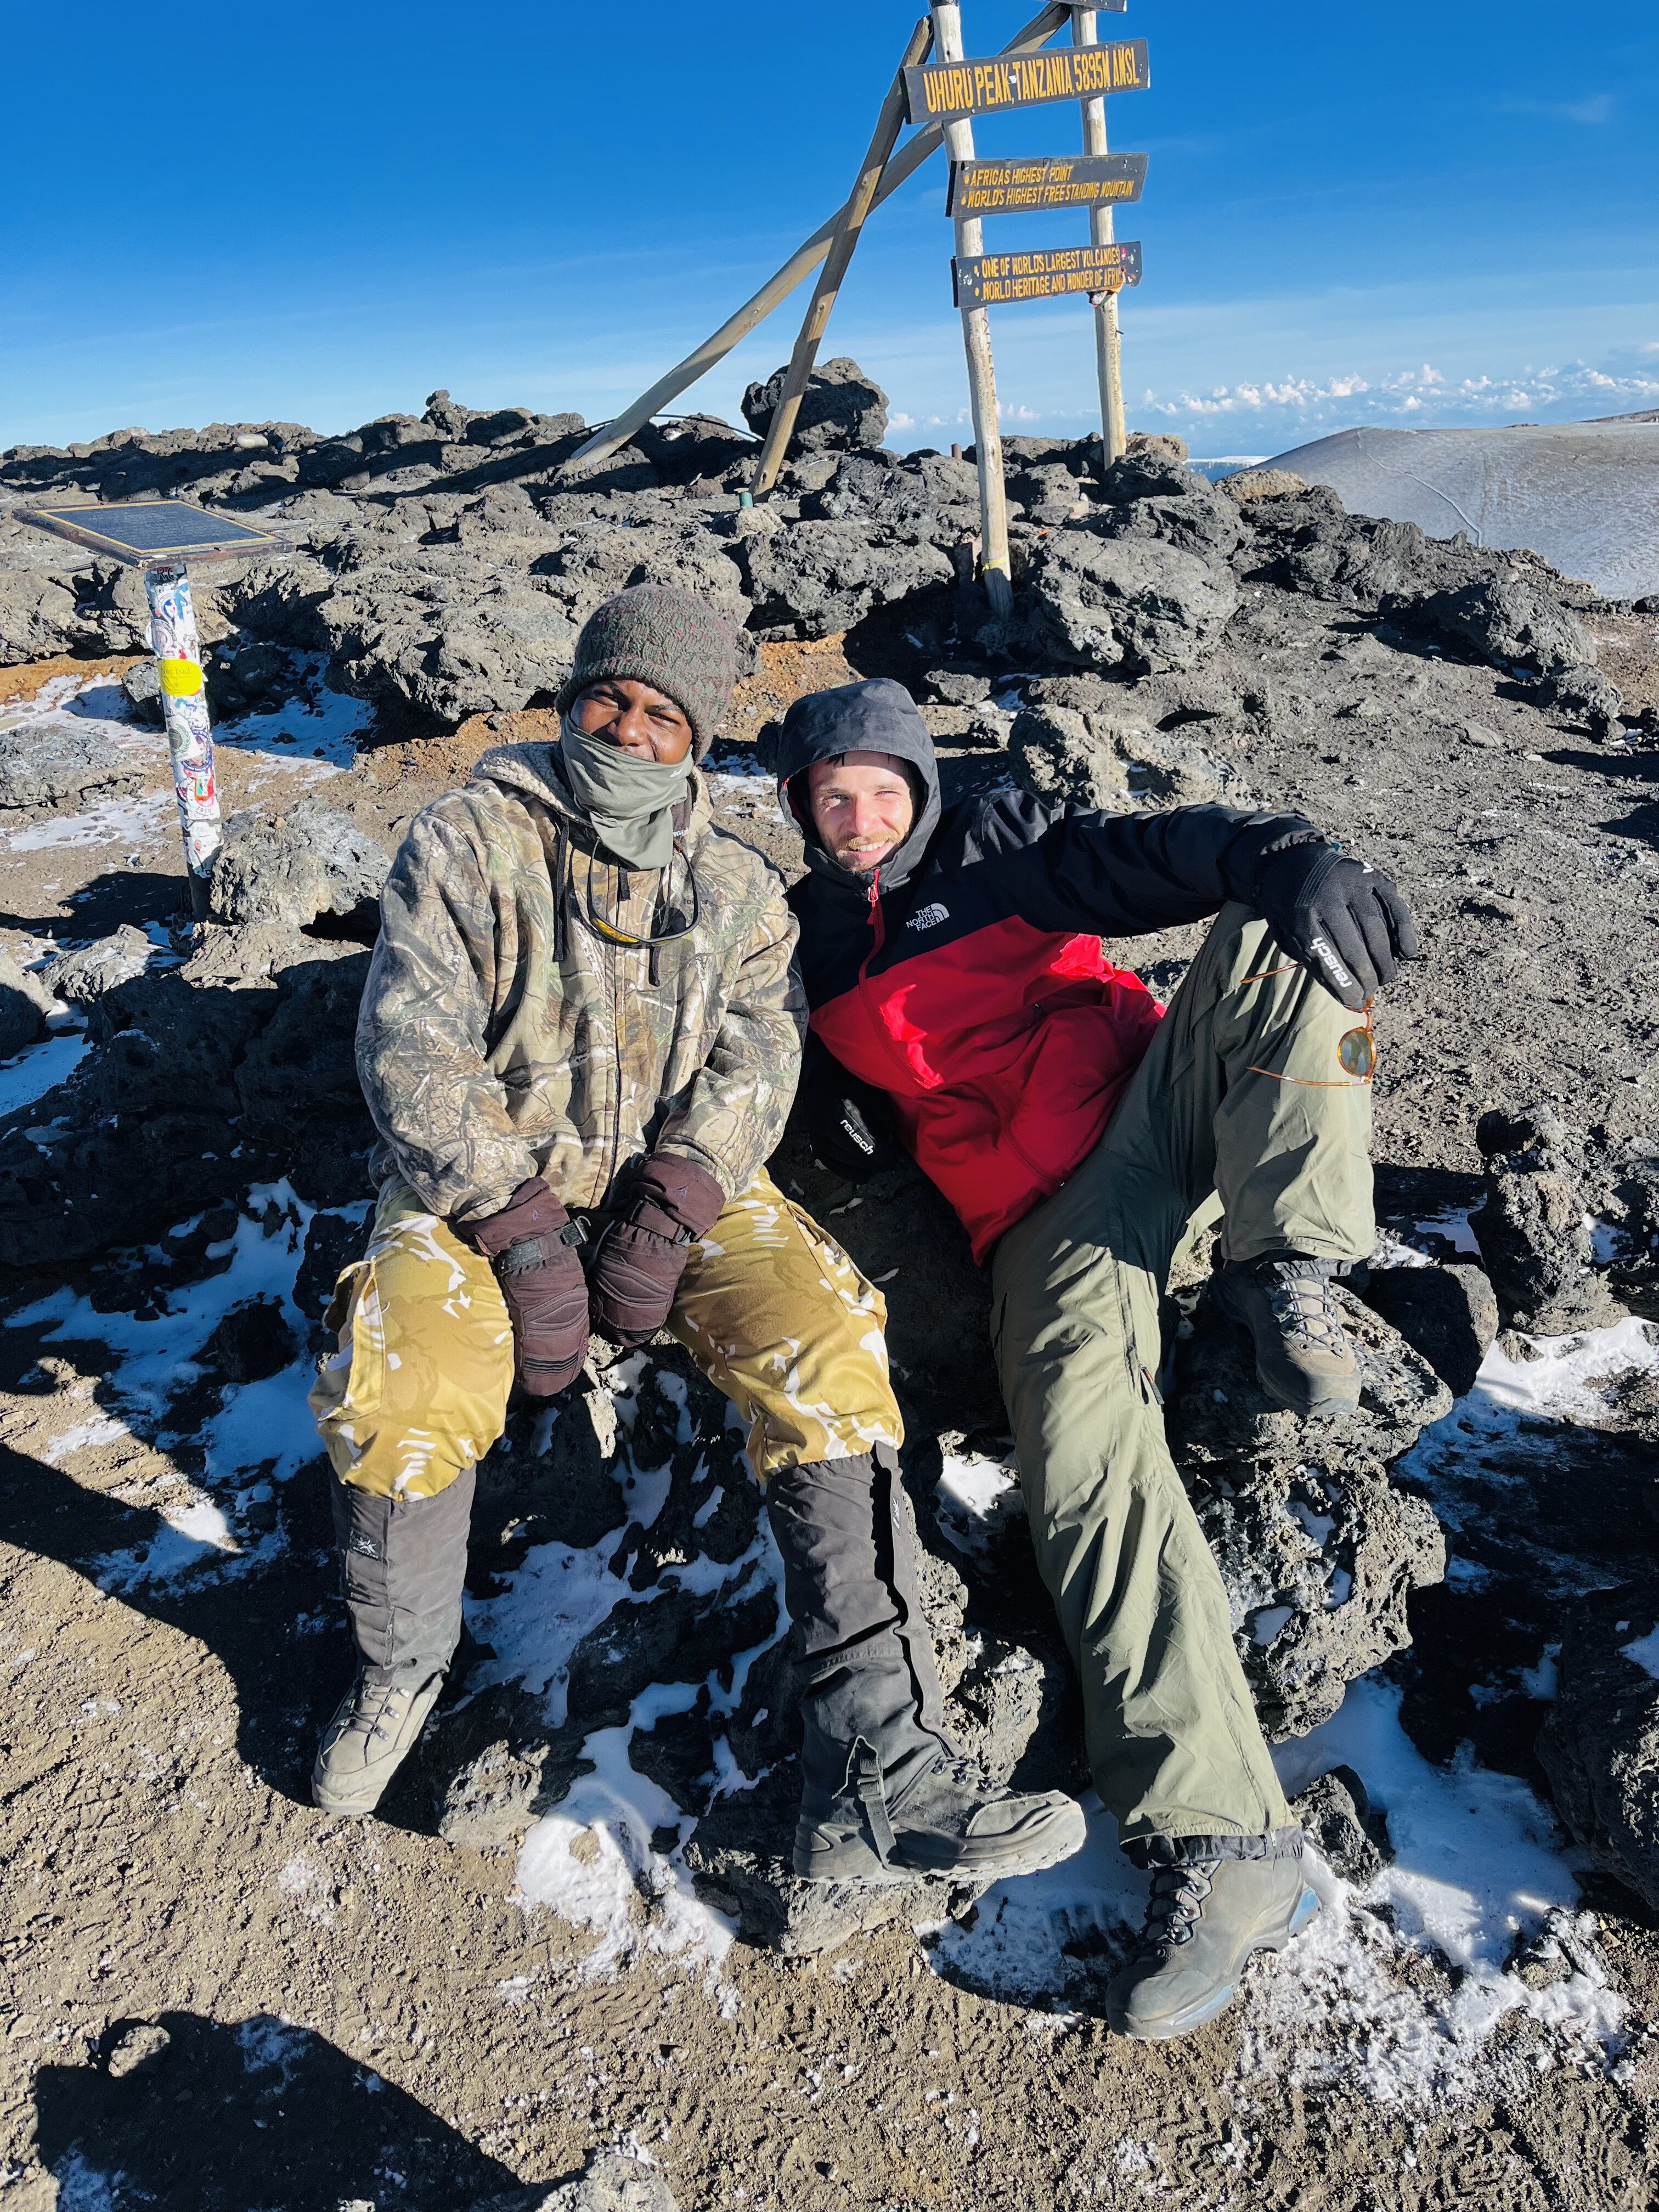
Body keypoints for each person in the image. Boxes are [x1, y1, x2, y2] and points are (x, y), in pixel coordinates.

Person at [307, 587, 1085, 1895]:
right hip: (474, 1190)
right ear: (569, 702)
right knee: (404, 1383)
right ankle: (399, 1676)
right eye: (608, 700)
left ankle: (882, 1758)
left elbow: (758, 1050)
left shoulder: (732, 885)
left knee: (831, 1339)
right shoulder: (467, 837)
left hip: (681, 1193)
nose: (630, 728)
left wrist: (676, 1200)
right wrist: (515, 1224)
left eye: (663, 714)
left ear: (699, 738)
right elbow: (409, 1040)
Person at [764, 676, 1422, 2039]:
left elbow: (1152, 856)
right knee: (1081, 1475)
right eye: (835, 796)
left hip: (1157, 1107)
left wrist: (1275, 850)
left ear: (924, 787)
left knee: (1276, 929)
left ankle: (1293, 1272)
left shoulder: (1002, 859)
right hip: (1046, 1229)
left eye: (887, 788)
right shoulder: (808, 957)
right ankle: (1233, 1849)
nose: (864, 816)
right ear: (800, 809)